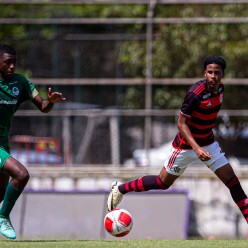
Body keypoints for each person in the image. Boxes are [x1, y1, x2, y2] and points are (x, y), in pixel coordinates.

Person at [107, 56, 248, 224]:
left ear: (222, 75)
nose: (213, 76)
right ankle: (120, 189)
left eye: (217, 73)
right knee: (162, 183)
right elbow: (181, 124)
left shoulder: (221, 90)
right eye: (210, 72)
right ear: (205, 73)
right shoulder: (195, 94)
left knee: (232, 182)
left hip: (209, 144)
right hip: (185, 147)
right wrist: (196, 148)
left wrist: (203, 146)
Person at [0, 44, 66, 239]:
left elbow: (43, 107)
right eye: (7, 62)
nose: (12, 66)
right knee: (21, 174)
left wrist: (51, 101)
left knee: (1, 193)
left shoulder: (21, 83)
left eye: (14, 63)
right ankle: (3, 217)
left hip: (3, 142)